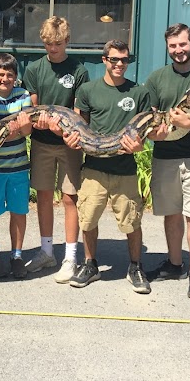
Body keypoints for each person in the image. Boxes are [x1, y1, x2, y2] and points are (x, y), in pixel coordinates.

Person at [67, 40, 153, 292]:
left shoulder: (139, 92)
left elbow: (145, 130)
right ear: (104, 60)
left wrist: (140, 146)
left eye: (124, 60)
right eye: (114, 59)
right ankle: (90, 264)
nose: (119, 64)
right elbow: (77, 126)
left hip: (124, 168)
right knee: (88, 219)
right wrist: (71, 140)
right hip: (93, 169)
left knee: (132, 221)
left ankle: (135, 266)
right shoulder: (88, 90)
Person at [144, 23, 190, 300]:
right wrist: (155, 134)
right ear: (167, 47)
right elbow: (149, 117)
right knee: (171, 212)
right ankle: (175, 264)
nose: (178, 50)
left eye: (183, 44)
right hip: (166, 156)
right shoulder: (157, 78)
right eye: (173, 46)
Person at [22, 16, 90, 283]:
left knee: (70, 198)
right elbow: (33, 109)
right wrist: (45, 124)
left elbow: (79, 114)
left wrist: (60, 128)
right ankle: (47, 251)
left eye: (58, 43)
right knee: (44, 196)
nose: (53, 49)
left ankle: (71, 257)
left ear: (67, 41)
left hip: (70, 144)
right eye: (49, 44)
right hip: (41, 143)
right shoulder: (35, 69)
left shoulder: (79, 70)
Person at [0, 52, 33, 280]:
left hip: (18, 166)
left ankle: (17, 255)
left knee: (18, 211)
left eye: (10, 75)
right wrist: (14, 129)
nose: (5, 79)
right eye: (0, 74)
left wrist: (3, 132)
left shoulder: (22, 95)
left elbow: (27, 130)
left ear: (16, 77)